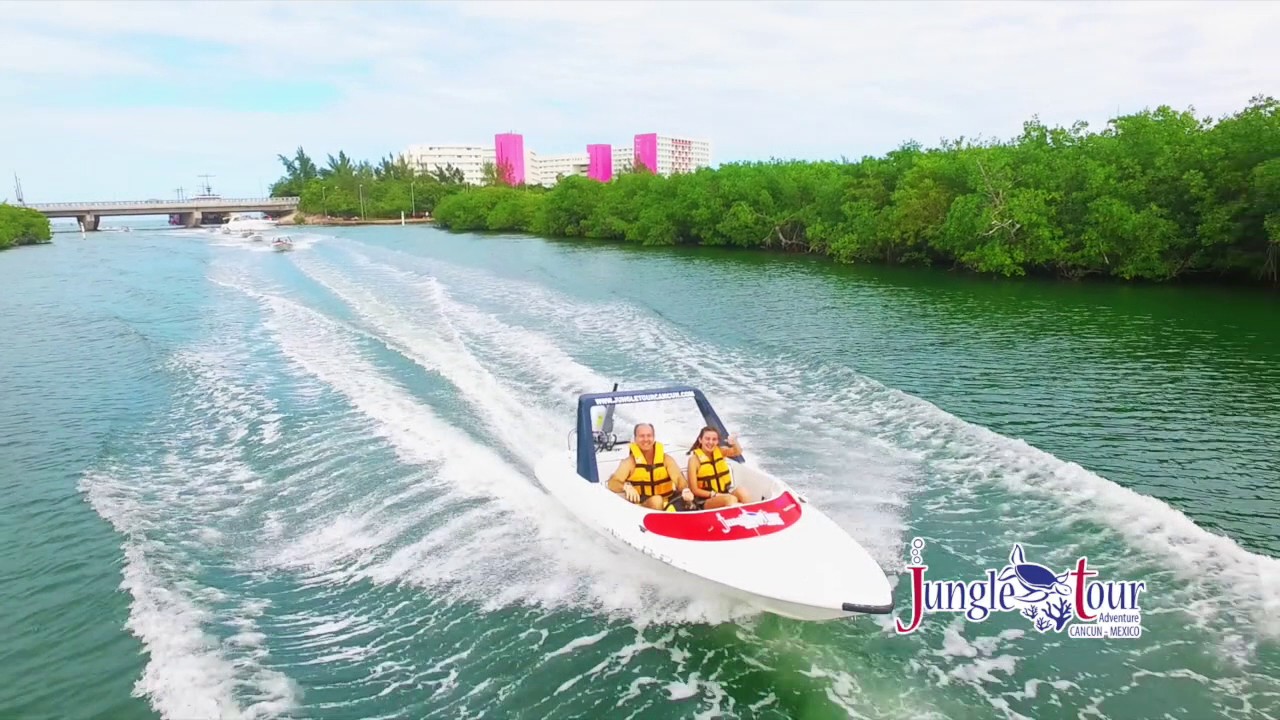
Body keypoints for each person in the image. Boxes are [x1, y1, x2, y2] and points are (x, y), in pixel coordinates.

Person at [607, 422, 694, 511]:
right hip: (642, 506)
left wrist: (685, 490)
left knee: (686, 502)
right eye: (641, 436)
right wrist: (626, 486)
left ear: (654, 437)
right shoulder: (629, 463)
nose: (646, 439)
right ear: (635, 439)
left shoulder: (666, 459)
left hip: (668, 502)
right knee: (656, 500)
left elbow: (679, 478)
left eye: (649, 436)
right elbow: (612, 483)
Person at [687, 426, 753, 509]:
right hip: (705, 500)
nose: (710, 442)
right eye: (707, 439)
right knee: (730, 499)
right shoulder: (694, 460)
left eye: (714, 439)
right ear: (700, 440)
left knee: (742, 492)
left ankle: (751, 516)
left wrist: (734, 442)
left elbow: (737, 451)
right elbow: (694, 490)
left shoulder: (720, 451)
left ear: (717, 441)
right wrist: (715, 494)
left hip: (724, 494)